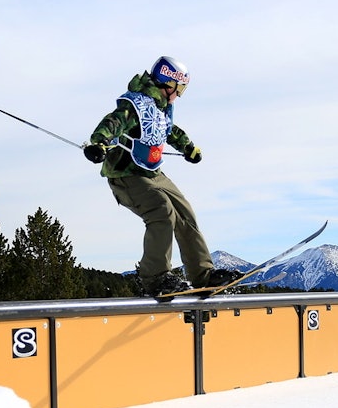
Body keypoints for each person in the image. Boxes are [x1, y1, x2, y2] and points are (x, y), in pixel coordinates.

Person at [83, 56, 241, 297]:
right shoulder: (135, 105)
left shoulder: (161, 108)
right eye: (180, 89)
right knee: (161, 211)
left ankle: (202, 275)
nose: (180, 95)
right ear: (168, 84)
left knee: (184, 213)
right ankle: (155, 277)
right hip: (127, 175)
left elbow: (169, 130)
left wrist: (188, 147)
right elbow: (114, 122)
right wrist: (99, 142)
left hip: (154, 173)